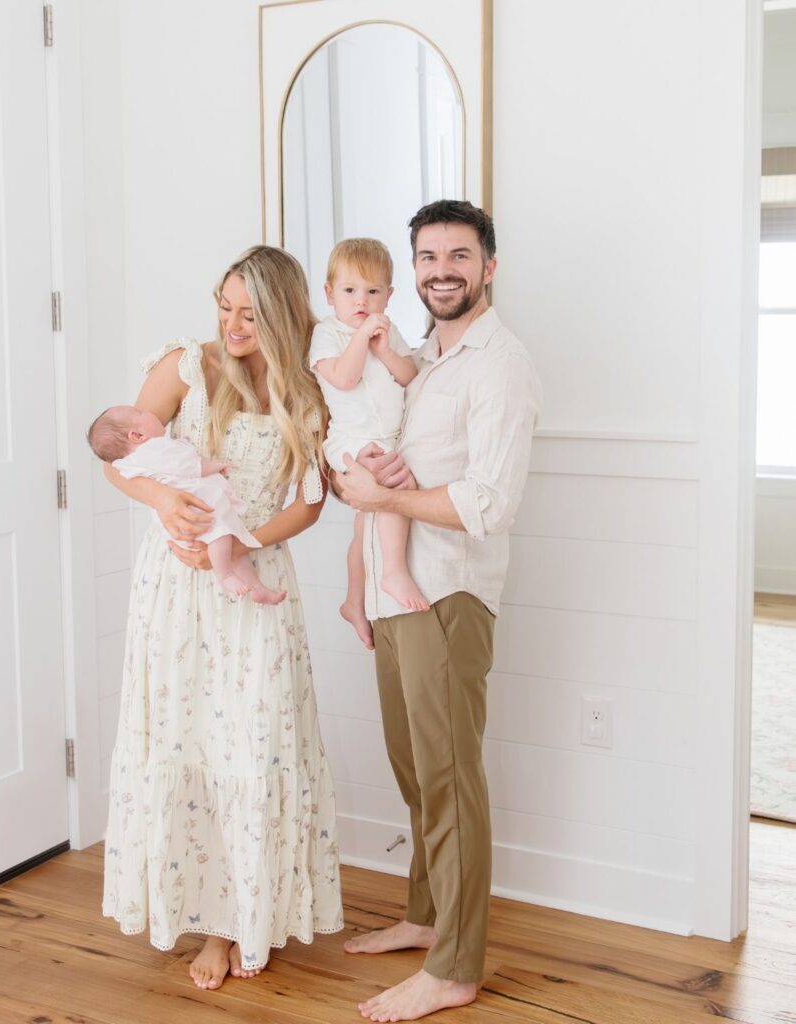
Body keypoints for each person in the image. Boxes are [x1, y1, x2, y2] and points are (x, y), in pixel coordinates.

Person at [101, 246, 344, 992]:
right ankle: (210, 923)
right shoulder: (184, 366)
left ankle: (249, 916)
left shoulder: (307, 387)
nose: (232, 324)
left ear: (279, 313)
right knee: (189, 738)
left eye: (249, 312)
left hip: (252, 580)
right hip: (175, 586)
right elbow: (118, 452)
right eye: (224, 306)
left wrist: (244, 541)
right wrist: (165, 503)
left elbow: (308, 502)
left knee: (254, 744)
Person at [337, 200, 542, 1022]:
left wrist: (382, 493)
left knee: (450, 779)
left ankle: (456, 966)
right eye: (427, 257)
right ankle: (425, 917)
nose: (441, 270)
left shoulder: (500, 364)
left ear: (488, 267)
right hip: (397, 593)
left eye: (459, 255)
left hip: (448, 594)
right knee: (415, 768)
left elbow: (489, 502)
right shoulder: (417, 357)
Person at [309, 238, 428, 651]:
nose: (362, 300)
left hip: (388, 438)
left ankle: (354, 601)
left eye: (373, 291)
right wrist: (361, 338)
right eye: (349, 291)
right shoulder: (328, 333)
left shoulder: (386, 331)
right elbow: (343, 378)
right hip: (353, 441)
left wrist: (382, 346)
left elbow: (409, 375)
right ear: (329, 294)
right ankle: (393, 569)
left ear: (389, 296)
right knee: (394, 486)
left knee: (365, 527)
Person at [87, 405, 284, 602]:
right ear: (137, 435)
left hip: (179, 521)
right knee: (223, 537)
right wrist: (215, 466)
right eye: (140, 412)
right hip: (194, 510)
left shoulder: (129, 461)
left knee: (228, 544)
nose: (148, 410)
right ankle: (225, 576)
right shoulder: (153, 450)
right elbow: (186, 466)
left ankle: (257, 588)